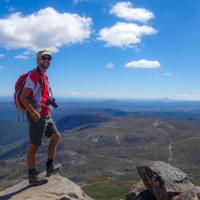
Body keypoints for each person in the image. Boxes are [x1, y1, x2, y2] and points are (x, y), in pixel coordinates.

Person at [20, 50, 61, 186]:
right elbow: (23, 97)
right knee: (35, 145)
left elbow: (41, 95)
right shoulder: (33, 75)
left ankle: (50, 165)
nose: (47, 61)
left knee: (56, 137)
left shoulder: (45, 77)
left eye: (49, 59)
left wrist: (48, 100)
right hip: (37, 115)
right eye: (44, 58)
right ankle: (32, 176)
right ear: (38, 60)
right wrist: (33, 113)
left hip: (45, 112)